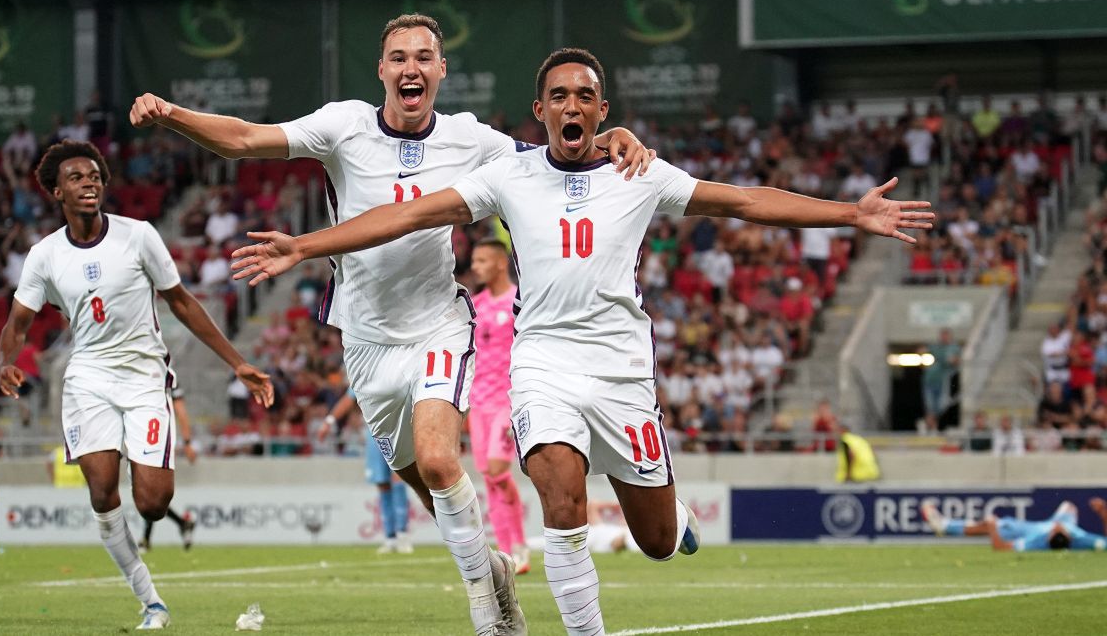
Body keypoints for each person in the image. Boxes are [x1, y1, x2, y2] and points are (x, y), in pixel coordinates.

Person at [229, 47, 933, 634]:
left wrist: (851, 212)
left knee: (656, 541)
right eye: (558, 95)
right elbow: (408, 216)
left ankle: (673, 511)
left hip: (623, 373)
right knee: (558, 493)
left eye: (585, 96)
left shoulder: (639, 172)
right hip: (544, 366)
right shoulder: (509, 174)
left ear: (603, 112)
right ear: (541, 112)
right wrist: (307, 245)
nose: (571, 105)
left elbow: (746, 199)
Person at [131, 14, 650, 636]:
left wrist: (615, 135)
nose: (412, 67)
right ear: (382, 70)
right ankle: (489, 565)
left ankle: (486, 603)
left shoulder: (470, 138)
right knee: (422, 480)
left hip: (438, 324)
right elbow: (243, 138)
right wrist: (172, 115)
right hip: (367, 339)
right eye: (399, 57)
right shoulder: (343, 126)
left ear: (440, 71)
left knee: (437, 459)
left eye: (424, 57)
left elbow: (562, 158)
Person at [0, 140, 273, 630]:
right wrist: (5, 361)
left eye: (95, 176)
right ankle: (151, 602)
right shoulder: (44, 256)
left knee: (152, 502)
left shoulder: (139, 236)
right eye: (77, 178)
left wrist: (237, 363)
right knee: (102, 493)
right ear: (57, 191)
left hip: (144, 376)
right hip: (88, 378)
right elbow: (18, 321)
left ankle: (145, 488)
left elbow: (182, 302)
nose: (89, 183)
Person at [468, 239, 529, 574]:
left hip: (507, 401)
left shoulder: (520, 301)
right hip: (478, 404)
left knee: (497, 470)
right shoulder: (475, 306)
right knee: (488, 478)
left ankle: (518, 543)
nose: (475, 266)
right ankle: (508, 552)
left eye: (482, 260)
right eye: (474, 260)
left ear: (499, 263)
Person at [317, 388, 413, 554]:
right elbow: (348, 398)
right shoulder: (365, 370)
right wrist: (329, 421)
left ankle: (403, 535)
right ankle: (390, 538)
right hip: (374, 432)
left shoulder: (397, 366)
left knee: (398, 479)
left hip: (398, 428)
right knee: (382, 483)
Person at [923, 499, 1107, 552]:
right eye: (1059, 530)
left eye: (1054, 531)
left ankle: (945, 526)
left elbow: (1000, 547)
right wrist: (1102, 513)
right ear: (1068, 536)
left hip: (1024, 528)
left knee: (997, 525)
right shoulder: (1080, 537)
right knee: (1069, 505)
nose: (1056, 528)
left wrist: (992, 526)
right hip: (1053, 522)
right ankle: (945, 526)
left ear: (1050, 536)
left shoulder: (1037, 541)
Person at [140, 381, 198, 552]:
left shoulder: (167, 378)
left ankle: (146, 539)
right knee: (149, 494)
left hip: (158, 442)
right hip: (142, 440)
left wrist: (187, 443)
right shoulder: (161, 373)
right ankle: (183, 524)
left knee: (149, 492)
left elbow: (181, 411)